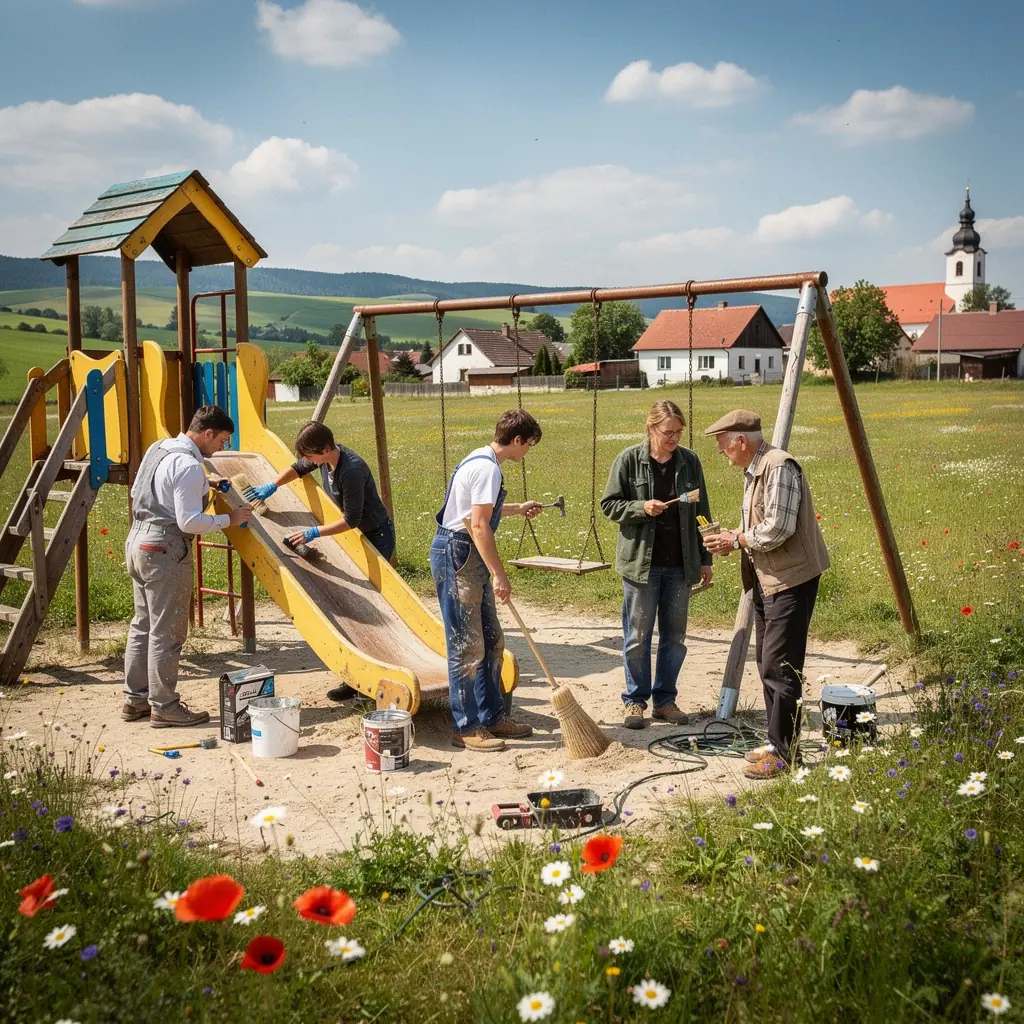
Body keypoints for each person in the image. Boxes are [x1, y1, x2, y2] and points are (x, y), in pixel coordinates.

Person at [702, 409, 831, 780]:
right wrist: (732, 539)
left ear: (741, 441)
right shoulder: (756, 469)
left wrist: (737, 539)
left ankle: (786, 755)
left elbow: (778, 528)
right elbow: (759, 525)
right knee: (768, 663)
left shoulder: (778, 467)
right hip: (767, 578)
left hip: (790, 580)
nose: (721, 451)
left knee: (781, 667)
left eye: (722, 444)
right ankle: (777, 742)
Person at [245, 420, 395, 702]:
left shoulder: (352, 470)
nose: (307, 460)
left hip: (375, 535)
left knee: (368, 604)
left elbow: (352, 520)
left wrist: (313, 533)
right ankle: (352, 679)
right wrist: (272, 486)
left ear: (326, 449)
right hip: (356, 535)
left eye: (311, 455)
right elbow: (299, 467)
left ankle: (372, 678)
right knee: (351, 603)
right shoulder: (325, 460)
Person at [124, 405, 252, 727]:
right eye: (221, 440)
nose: (222, 447)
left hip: (137, 541)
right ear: (207, 434)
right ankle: (164, 707)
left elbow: (144, 490)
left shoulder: (160, 448)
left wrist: (204, 483)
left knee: (143, 625)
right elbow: (189, 521)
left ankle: (134, 700)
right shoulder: (189, 467)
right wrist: (229, 520)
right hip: (164, 548)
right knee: (167, 632)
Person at [429, 409, 545, 752]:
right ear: (517, 440)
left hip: (465, 550)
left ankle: (493, 717)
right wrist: (499, 573)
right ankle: (466, 726)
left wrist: (516, 508)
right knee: (467, 646)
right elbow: (477, 527)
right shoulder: (486, 469)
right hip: (458, 554)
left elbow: (473, 510)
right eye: (529, 445)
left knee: (492, 640)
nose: (527, 453)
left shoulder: (481, 461)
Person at [600, 400, 714, 731]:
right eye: (668, 432)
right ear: (651, 428)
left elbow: (702, 509)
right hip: (641, 566)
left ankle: (665, 702)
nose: (674, 438)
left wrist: (705, 558)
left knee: (674, 637)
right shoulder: (628, 460)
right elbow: (608, 505)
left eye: (679, 432)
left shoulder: (689, 462)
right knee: (637, 636)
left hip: (680, 565)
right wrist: (640, 507)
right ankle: (635, 701)